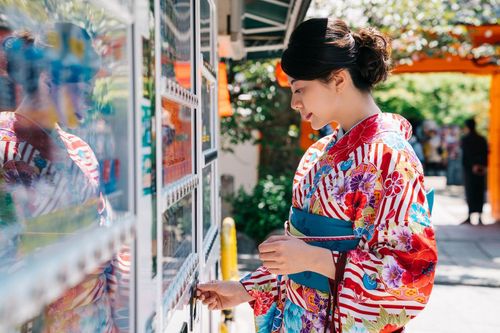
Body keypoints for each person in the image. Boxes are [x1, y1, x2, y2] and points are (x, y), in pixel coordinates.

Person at [197, 18, 437, 333]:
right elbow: (302, 252)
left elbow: (410, 276)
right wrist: (245, 289)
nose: (295, 103)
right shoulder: (320, 151)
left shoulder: (390, 157)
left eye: (300, 89)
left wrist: (316, 259)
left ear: (338, 80)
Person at [0, 23, 128, 332]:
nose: (91, 90)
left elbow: (108, 241)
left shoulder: (79, 149)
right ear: (47, 79)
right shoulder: (5, 147)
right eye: (83, 81)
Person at [460, 118, 488, 225]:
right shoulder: (482, 139)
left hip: (469, 170)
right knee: (479, 192)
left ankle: (470, 216)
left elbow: (466, 155)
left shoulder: (465, 139)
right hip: (481, 169)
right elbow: (485, 153)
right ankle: (480, 216)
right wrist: (483, 165)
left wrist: (473, 165)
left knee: (470, 192)